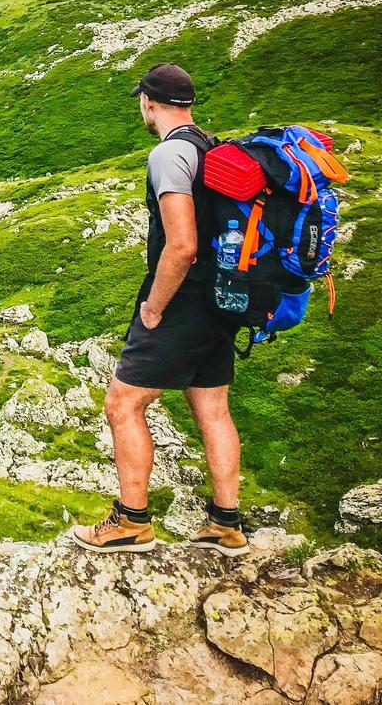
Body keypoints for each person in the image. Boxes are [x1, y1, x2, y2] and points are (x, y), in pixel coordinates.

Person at [72, 63, 249, 557]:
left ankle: (131, 522)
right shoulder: (212, 147)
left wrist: (154, 306)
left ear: (149, 102)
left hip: (183, 302)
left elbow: (182, 246)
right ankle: (225, 524)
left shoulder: (169, 155)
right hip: (221, 301)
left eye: (142, 102)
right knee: (212, 409)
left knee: (122, 403)